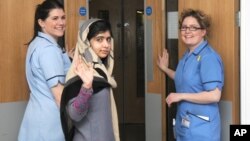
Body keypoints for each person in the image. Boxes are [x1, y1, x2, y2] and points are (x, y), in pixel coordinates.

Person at [157, 9, 224, 141]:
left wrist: (180, 96)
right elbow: (183, 78)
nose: (187, 31)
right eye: (184, 27)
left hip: (201, 130)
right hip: (185, 127)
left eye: (193, 28)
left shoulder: (208, 57)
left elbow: (215, 95)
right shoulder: (187, 55)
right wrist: (165, 69)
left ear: (203, 32)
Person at [18, 0, 71, 140]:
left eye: (63, 17)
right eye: (55, 18)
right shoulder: (48, 50)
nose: (61, 22)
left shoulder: (36, 44)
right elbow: (60, 95)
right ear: (41, 22)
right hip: (50, 123)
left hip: (35, 117)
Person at [60, 19, 120, 141]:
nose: (106, 45)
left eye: (108, 39)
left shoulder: (102, 71)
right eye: (99, 39)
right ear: (86, 43)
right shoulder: (80, 71)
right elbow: (74, 115)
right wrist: (86, 87)